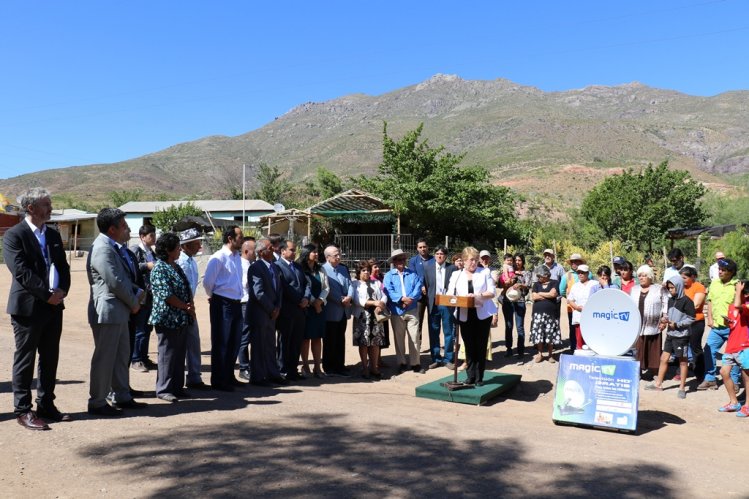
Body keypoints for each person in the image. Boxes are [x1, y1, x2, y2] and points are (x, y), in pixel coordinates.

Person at [4, 188, 72, 430]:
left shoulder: (52, 234)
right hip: (28, 308)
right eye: (46, 204)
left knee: (50, 357)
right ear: (30, 208)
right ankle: (23, 410)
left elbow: (63, 267)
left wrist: (62, 291)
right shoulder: (15, 235)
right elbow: (21, 272)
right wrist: (46, 295)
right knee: (26, 358)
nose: (50, 208)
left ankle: (46, 405)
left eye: (50, 203)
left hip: (54, 307)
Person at [87, 208, 147, 416]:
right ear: (112, 229)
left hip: (118, 310)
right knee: (105, 358)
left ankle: (122, 395)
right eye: (123, 226)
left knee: (121, 356)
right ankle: (97, 402)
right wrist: (134, 302)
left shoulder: (114, 247)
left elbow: (123, 278)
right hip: (108, 311)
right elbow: (115, 282)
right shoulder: (103, 248)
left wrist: (138, 293)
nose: (127, 229)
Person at [149, 232, 195, 402]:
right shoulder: (160, 268)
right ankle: (164, 389)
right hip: (167, 318)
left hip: (181, 317)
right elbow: (166, 295)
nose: (179, 251)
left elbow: (185, 287)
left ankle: (177, 386)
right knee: (167, 354)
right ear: (168, 250)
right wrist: (184, 306)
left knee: (179, 353)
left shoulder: (176, 266)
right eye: (177, 248)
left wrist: (189, 306)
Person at [446, 247, 497, 386]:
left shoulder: (485, 272)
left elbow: (492, 292)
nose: (474, 262)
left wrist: (478, 296)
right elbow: (450, 294)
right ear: (463, 260)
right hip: (464, 314)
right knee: (468, 345)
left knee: (480, 345)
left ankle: (479, 377)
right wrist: (457, 298)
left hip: (482, 314)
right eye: (471, 260)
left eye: (476, 259)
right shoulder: (456, 275)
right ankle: (470, 376)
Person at [202, 225, 244, 391]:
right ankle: (219, 380)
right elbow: (207, 282)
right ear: (230, 238)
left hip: (235, 302)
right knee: (221, 342)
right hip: (222, 302)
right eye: (240, 236)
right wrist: (212, 296)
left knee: (234, 341)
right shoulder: (218, 257)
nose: (242, 239)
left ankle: (229, 376)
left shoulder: (236, 257)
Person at [646, 275, 695, 399]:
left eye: (672, 288)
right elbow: (670, 315)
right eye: (669, 288)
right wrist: (665, 320)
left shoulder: (687, 301)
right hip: (670, 334)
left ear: (679, 286)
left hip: (681, 336)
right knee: (664, 358)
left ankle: (682, 388)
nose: (671, 290)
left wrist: (678, 324)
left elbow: (691, 318)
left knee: (683, 362)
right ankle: (658, 384)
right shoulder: (671, 299)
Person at [247, 237, 287, 386]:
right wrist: (272, 308)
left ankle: (272, 373)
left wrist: (278, 307)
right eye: (270, 248)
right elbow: (258, 292)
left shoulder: (274, 267)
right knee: (258, 345)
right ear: (261, 252)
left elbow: (279, 289)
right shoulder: (256, 267)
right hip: (260, 312)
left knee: (270, 344)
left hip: (272, 313)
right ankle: (258, 377)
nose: (274, 250)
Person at [699, 257, 741, 390]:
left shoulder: (737, 286)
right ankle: (710, 378)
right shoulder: (715, 283)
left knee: (734, 355)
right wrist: (709, 318)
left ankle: (734, 381)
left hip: (733, 328)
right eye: (719, 269)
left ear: (731, 272)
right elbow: (710, 301)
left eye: (723, 270)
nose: (720, 272)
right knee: (708, 350)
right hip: (717, 327)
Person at [176, 227, 208, 390]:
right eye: (196, 243)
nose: (199, 246)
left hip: (189, 306)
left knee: (193, 342)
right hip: (182, 308)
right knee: (182, 344)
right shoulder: (181, 262)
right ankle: (181, 380)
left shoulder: (191, 261)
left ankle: (194, 376)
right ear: (186, 246)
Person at [275, 239, 311, 381]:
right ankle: (282, 370)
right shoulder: (277, 266)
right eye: (291, 249)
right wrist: (299, 300)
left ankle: (293, 370)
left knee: (296, 341)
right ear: (282, 251)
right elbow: (283, 287)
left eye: (294, 249)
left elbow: (306, 284)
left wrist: (306, 298)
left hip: (300, 311)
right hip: (287, 310)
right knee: (284, 341)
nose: (294, 252)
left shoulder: (297, 266)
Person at [385, 249, 425, 374]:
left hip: (412, 309)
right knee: (399, 338)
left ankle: (415, 363)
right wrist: (401, 299)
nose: (401, 261)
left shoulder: (412, 274)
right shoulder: (389, 276)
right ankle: (402, 363)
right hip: (397, 310)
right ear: (394, 262)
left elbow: (418, 288)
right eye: (398, 259)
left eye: (403, 259)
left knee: (414, 337)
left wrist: (410, 299)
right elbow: (388, 290)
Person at [716, 280, 749, 416]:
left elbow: (738, 305)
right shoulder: (731, 307)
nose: (734, 292)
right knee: (724, 372)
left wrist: (739, 291)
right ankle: (734, 402)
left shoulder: (746, 305)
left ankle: (747, 405)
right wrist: (727, 322)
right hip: (731, 346)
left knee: (747, 377)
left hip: (745, 346)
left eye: (737, 290)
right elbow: (732, 324)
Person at [629, 265, 668, 378]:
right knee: (637, 348)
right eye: (640, 275)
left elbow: (666, 304)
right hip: (637, 324)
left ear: (650, 277)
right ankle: (638, 371)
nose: (641, 278)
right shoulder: (634, 289)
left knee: (653, 348)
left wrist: (664, 320)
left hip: (653, 324)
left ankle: (654, 371)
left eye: (644, 275)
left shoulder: (659, 289)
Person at [322, 245, 354, 377]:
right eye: (335, 255)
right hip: (331, 310)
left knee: (340, 339)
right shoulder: (323, 269)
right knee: (330, 340)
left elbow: (350, 284)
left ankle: (340, 365)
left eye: (339, 254)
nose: (339, 257)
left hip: (343, 310)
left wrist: (349, 297)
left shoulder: (343, 268)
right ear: (328, 257)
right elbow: (326, 289)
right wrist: (339, 300)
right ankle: (329, 367)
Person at [422, 245, 457, 369]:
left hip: (447, 303)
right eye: (437, 254)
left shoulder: (452, 268)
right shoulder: (427, 268)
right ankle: (436, 358)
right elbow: (426, 285)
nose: (439, 256)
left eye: (441, 254)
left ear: (446, 256)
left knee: (448, 332)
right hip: (433, 304)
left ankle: (448, 359)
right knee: (433, 331)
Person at [352, 261, 388, 379]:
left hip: (376, 316)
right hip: (362, 316)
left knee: (375, 343)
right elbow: (357, 300)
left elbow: (384, 295)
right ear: (359, 272)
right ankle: (365, 368)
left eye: (368, 270)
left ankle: (374, 367)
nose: (366, 272)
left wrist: (381, 304)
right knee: (364, 343)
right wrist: (373, 302)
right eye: (363, 270)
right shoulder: (355, 284)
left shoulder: (377, 282)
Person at [129, 225, 157, 372]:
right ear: (142, 236)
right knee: (139, 329)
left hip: (150, 296)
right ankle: (136, 359)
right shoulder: (136, 250)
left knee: (147, 328)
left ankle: (144, 357)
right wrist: (147, 265)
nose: (154, 238)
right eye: (151, 235)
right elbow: (132, 268)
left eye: (154, 235)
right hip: (141, 296)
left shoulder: (152, 252)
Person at [299, 244, 328, 378]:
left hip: (319, 308)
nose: (316, 254)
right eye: (314, 252)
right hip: (306, 308)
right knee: (305, 339)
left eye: (317, 252)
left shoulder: (320, 269)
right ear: (306, 253)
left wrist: (319, 301)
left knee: (317, 338)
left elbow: (326, 287)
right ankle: (305, 366)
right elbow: (302, 287)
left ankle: (318, 367)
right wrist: (312, 302)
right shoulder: (300, 268)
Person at [501, 253, 531, 361]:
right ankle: (509, 349)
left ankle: (520, 351)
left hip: (520, 301)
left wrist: (520, 285)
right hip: (508, 301)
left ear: (523, 261)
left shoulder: (526, 273)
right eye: (516, 260)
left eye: (519, 260)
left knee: (519, 327)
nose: (517, 262)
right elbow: (502, 283)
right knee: (508, 326)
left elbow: (528, 286)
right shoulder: (509, 271)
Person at [529, 266, 562, 362]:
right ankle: (540, 354)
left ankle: (550, 355)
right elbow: (534, 297)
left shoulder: (555, 282)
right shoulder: (536, 284)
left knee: (550, 334)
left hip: (551, 314)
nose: (539, 278)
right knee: (539, 333)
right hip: (537, 314)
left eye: (540, 276)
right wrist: (546, 295)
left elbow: (553, 294)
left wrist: (540, 293)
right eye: (538, 276)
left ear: (546, 275)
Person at [679, 265, 706, 380]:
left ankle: (700, 373)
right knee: (682, 347)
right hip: (683, 321)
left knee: (695, 348)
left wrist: (680, 309)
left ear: (693, 277)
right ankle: (684, 370)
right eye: (681, 278)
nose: (682, 280)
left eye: (685, 278)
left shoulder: (698, 287)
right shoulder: (681, 288)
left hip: (696, 322)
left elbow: (696, 305)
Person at [559, 252, 587, 353]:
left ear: (580, 262)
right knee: (573, 327)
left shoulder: (589, 274)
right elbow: (561, 290)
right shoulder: (567, 275)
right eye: (572, 262)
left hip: (586, 307)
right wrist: (569, 298)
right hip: (571, 307)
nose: (574, 263)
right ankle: (574, 348)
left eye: (576, 261)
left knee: (586, 326)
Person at [237, 237, 256, 381]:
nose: (256, 253)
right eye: (254, 251)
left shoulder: (251, 264)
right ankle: (243, 367)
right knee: (244, 336)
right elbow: (245, 284)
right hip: (244, 303)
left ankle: (251, 366)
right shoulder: (240, 264)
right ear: (246, 251)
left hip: (252, 303)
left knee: (251, 336)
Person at [567, 264, 597, 351]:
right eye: (579, 272)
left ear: (587, 273)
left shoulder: (594, 284)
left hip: (592, 316)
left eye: (582, 272)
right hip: (579, 316)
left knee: (591, 340)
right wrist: (576, 307)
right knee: (579, 341)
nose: (580, 274)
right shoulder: (575, 286)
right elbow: (570, 300)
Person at [408, 238, 433, 335]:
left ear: (428, 247)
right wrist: (422, 286)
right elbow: (413, 276)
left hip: (431, 295)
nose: (423, 249)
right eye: (420, 247)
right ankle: (418, 344)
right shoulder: (413, 261)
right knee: (418, 320)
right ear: (417, 248)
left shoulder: (433, 260)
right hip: (419, 296)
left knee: (433, 321)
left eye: (424, 247)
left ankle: (433, 345)